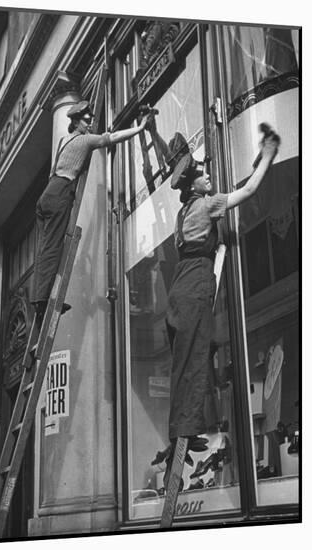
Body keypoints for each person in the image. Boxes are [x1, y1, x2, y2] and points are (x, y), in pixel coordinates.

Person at [147, 119, 281, 486]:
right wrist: (268, 155)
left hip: (179, 290)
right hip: (193, 290)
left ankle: (180, 435)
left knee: (184, 365)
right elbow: (249, 191)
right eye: (203, 175)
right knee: (194, 363)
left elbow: (166, 164)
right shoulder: (206, 206)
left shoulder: (182, 212)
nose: (209, 177)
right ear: (194, 184)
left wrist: (154, 133)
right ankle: (185, 434)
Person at [31, 100, 152, 331]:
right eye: (86, 120)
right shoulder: (85, 139)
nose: (90, 123)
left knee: (45, 247)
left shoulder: (62, 142)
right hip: (60, 192)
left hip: (47, 193)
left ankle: (40, 298)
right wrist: (139, 128)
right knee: (54, 247)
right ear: (76, 121)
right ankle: (43, 302)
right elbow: (111, 138)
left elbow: (52, 172)